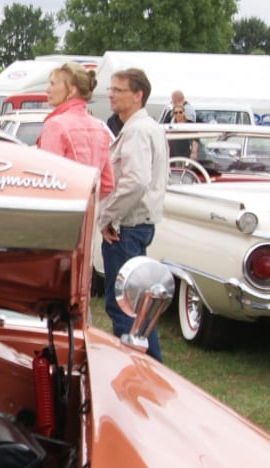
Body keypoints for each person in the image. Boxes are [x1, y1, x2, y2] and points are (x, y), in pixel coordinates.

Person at [97, 67, 167, 361]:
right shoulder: (145, 127)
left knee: (124, 306)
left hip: (126, 228)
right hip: (134, 225)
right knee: (137, 307)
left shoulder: (137, 130)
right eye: (110, 89)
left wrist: (107, 217)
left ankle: (134, 371)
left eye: (118, 90)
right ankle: (151, 370)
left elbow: (135, 181)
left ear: (138, 96)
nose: (110, 95)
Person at [35, 62, 114, 198]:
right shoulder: (99, 128)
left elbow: (48, 179)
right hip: (87, 213)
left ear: (71, 91)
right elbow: (107, 184)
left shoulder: (55, 125)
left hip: (60, 211)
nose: (47, 90)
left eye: (53, 84)